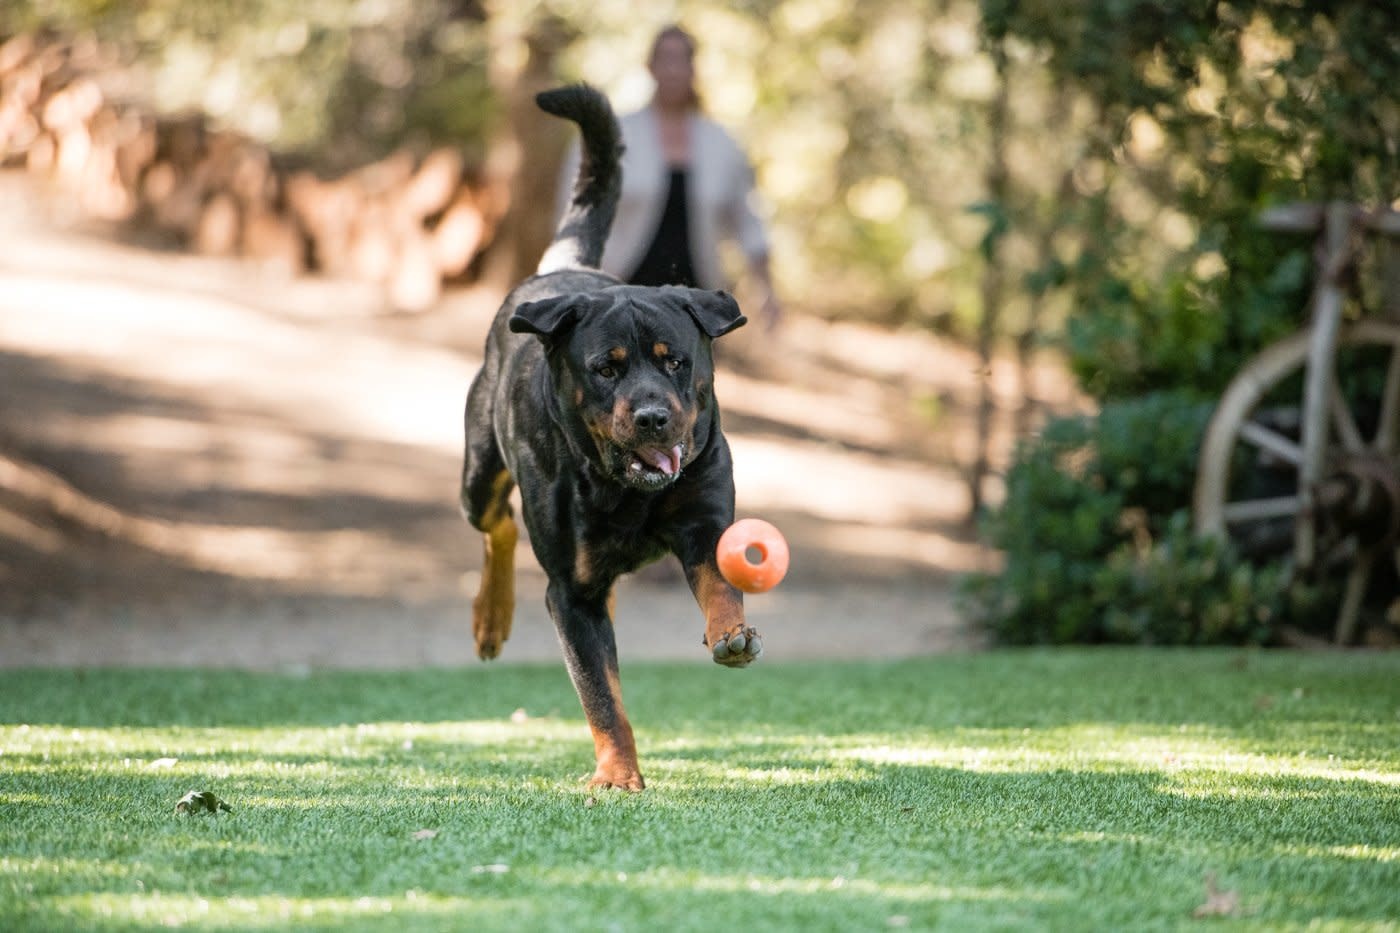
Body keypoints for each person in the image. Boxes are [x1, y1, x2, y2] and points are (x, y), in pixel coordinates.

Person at [556, 25, 781, 328]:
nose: (673, 69)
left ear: (693, 67)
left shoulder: (721, 144)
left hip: (693, 304)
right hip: (616, 297)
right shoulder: (612, 135)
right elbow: (575, 215)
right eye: (665, 58)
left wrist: (766, 289)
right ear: (650, 66)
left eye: (681, 59)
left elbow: (748, 219)